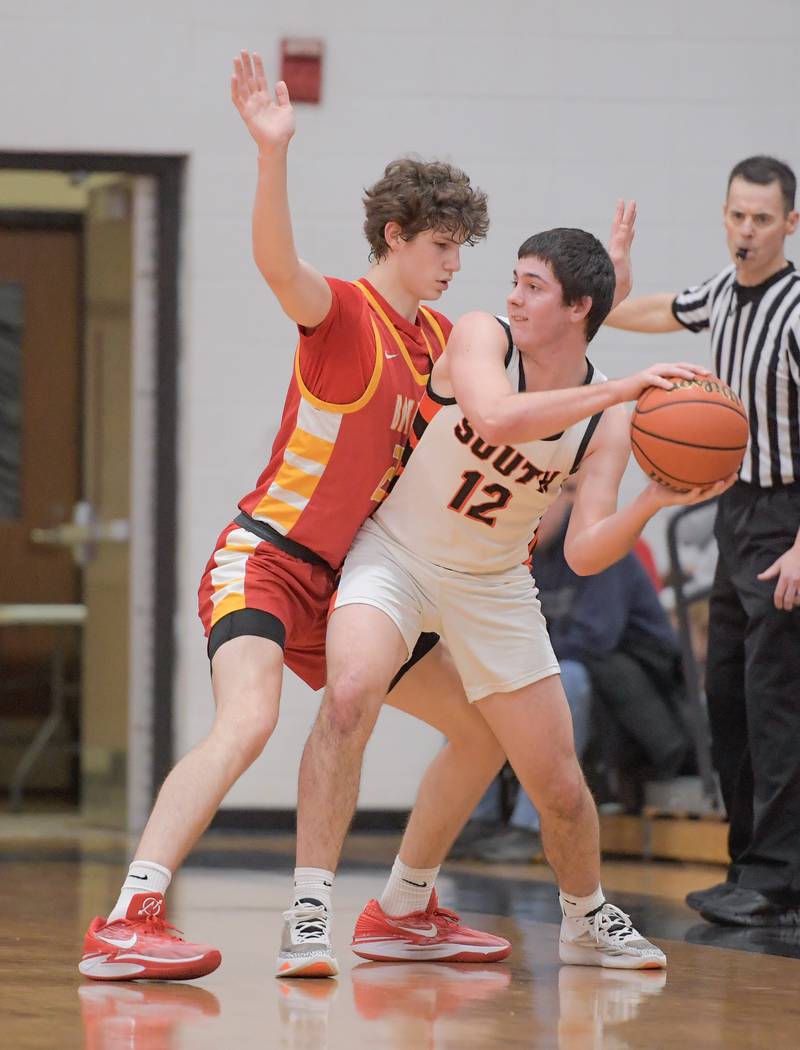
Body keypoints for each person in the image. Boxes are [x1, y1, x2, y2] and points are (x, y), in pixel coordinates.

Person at [79, 50, 514, 982]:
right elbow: (277, 263)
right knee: (249, 720)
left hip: (350, 580)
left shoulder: (441, 341)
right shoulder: (346, 314)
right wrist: (272, 154)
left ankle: (402, 907)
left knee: (484, 728)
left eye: (460, 252)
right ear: (396, 237)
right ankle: (129, 915)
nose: (452, 265)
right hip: (267, 557)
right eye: (441, 247)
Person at [288, 223, 733, 975]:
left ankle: (575, 917)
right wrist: (624, 383)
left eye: (533, 286)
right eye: (515, 280)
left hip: (494, 583)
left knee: (557, 780)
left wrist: (651, 500)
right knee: (348, 697)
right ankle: (307, 909)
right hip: (396, 553)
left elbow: (588, 548)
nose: (512, 296)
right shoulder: (481, 338)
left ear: (578, 306)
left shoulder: (607, 420)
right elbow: (495, 417)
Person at [605, 155, 800, 927]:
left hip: (789, 517)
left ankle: (781, 878)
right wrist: (608, 290)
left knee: (776, 700)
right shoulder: (724, 291)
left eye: (761, 219)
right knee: (728, 696)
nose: (745, 230)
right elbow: (657, 312)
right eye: (736, 215)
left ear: (790, 224)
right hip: (737, 510)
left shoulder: (795, 310)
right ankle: (749, 863)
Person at [464, 483, 690, 863]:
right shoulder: (530, 553)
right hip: (583, 680)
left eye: (534, 509)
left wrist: (523, 668)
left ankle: (531, 826)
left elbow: (595, 640)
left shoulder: (598, 546)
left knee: (562, 676)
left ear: (562, 499)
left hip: (637, 695)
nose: (525, 521)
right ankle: (474, 820)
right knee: (479, 680)